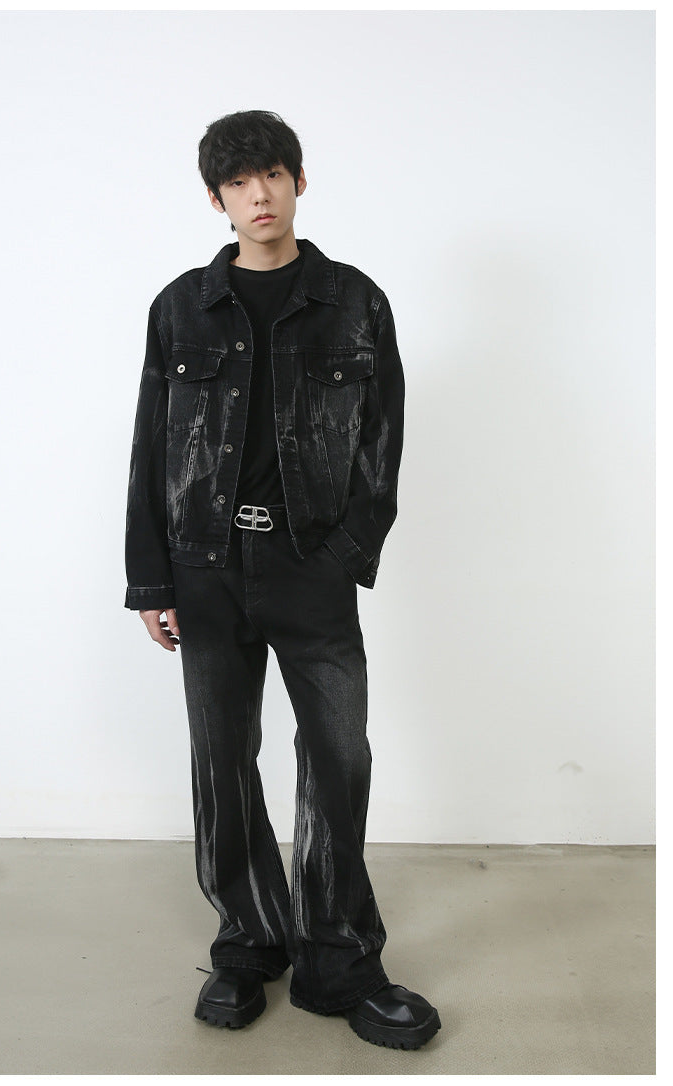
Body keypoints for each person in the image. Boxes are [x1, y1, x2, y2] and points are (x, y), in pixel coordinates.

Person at [124, 109, 440, 1050]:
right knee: (222, 761)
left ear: (299, 181)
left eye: (271, 174)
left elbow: (382, 443)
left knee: (338, 761)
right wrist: (151, 580)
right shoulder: (181, 307)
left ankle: (339, 960)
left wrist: (345, 555)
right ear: (215, 199)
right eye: (238, 181)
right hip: (205, 566)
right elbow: (150, 448)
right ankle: (248, 941)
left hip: (311, 567)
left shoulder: (354, 301)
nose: (257, 195)